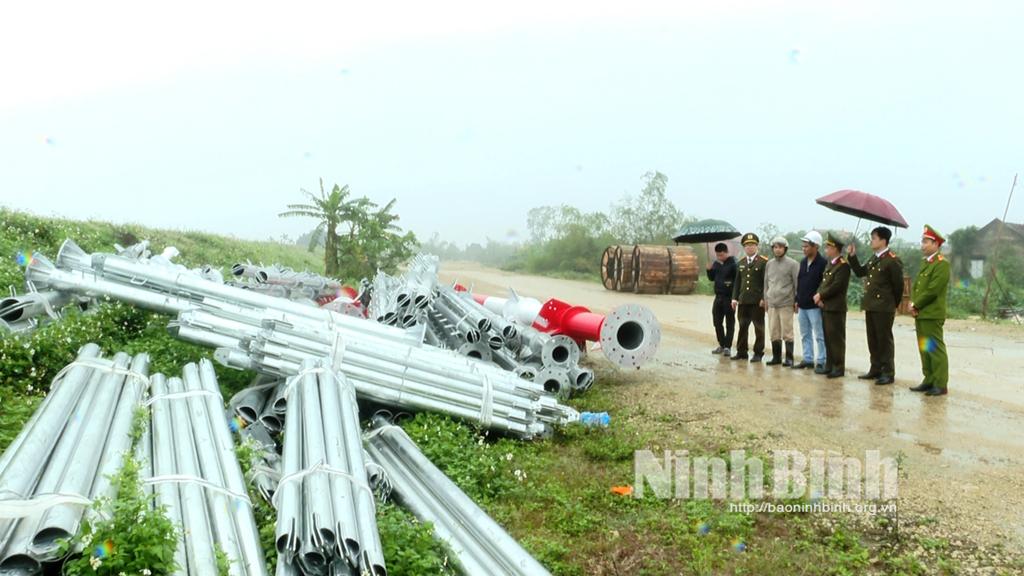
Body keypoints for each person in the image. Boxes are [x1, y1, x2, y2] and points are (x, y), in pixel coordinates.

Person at [847, 226, 904, 385]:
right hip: (871, 304)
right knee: (872, 339)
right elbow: (860, 272)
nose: (871, 241)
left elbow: (898, 286)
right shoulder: (874, 258)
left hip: (884, 306)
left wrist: (893, 304)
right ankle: (875, 368)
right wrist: (852, 256)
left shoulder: (892, 260)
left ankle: (888, 372)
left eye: (874, 238)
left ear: (883, 240)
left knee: (884, 339)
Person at [909, 225, 951, 396]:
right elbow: (918, 286)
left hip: (931, 314)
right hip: (921, 314)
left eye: (926, 241)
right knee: (925, 348)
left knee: (935, 348)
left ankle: (940, 383)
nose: (922, 245)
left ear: (936, 244)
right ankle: (929, 379)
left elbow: (933, 290)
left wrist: (916, 304)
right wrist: (914, 304)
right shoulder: (926, 263)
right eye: (922, 241)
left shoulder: (941, 264)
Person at [814, 233, 852, 379]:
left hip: (836, 307)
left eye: (828, 247)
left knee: (836, 338)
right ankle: (829, 365)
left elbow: (837, 286)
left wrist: (821, 295)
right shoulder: (831, 264)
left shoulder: (843, 266)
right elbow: (824, 283)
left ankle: (838, 367)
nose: (826, 249)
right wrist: (819, 296)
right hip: (826, 306)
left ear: (835, 248)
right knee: (828, 337)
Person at [731, 233, 768, 362]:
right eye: (747, 245)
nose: (749, 248)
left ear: (757, 246)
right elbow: (737, 282)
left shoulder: (763, 262)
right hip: (743, 300)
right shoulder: (741, 263)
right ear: (744, 247)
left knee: (759, 328)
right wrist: (734, 298)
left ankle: (758, 353)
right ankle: (741, 352)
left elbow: (766, 282)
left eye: (752, 245)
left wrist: (764, 298)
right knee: (742, 327)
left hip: (757, 302)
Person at [794, 231, 827, 371]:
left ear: (815, 246)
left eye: (807, 246)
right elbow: (799, 282)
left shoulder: (823, 263)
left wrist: (821, 297)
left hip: (815, 306)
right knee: (805, 334)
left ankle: (821, 361)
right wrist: (796, 299)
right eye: (803, 246)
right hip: (802, 305)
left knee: (819, 335)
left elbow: (825, 284)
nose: (804, 249)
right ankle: (807, 359)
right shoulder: (802, 262)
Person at [763, 236, 799, 366]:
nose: (778, 250)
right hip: (772, 303)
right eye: (775, 247)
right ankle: (776, 357)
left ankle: (789, 358)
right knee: (774, 331)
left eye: (780, 247)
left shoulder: (793, 264)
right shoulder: (769, 264)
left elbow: (797, 284)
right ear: (773, 249)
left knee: (787, 331)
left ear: (785, 249)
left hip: (786, 303)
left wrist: (796, 301)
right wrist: (765, 299)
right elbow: (766, 283)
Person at [706, 242, 737, 355]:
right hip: (718, 297)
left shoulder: (733, 264)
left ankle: (728, 347)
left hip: (729, 298)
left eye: (721, 255)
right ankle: (721, 344)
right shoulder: (716, 264)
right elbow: (712, 278)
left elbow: (737, 281)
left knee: (730, 322)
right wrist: (709, 270)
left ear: (726, 253)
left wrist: (735, 298)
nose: (719, 257)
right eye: (717, 255)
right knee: (717, 322)